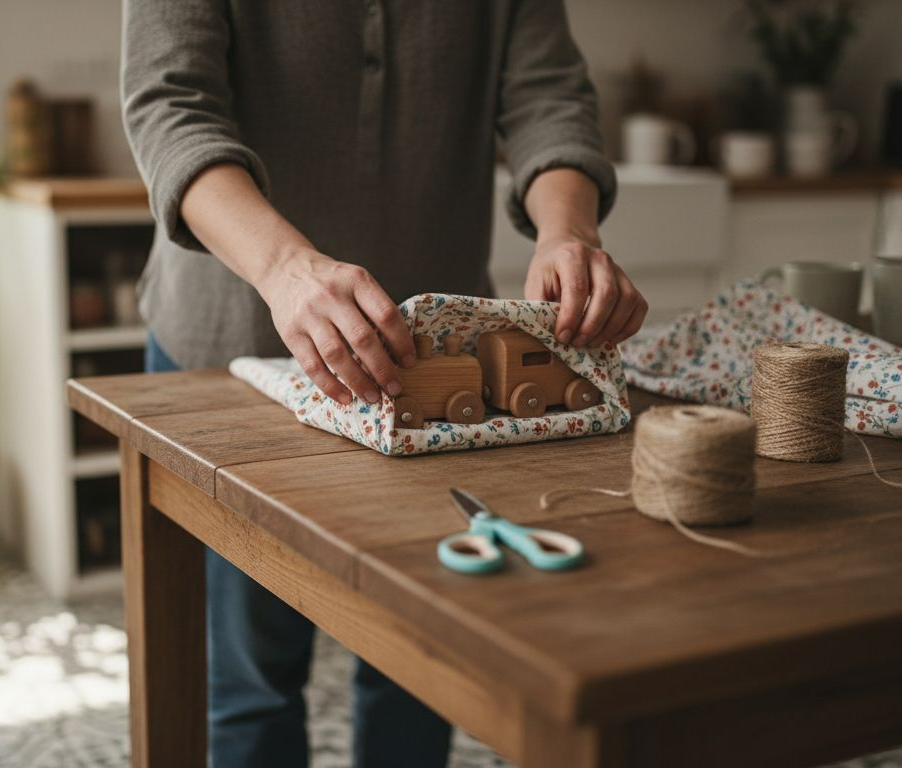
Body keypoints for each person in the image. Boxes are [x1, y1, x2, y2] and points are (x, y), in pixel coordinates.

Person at [122, 2, 647, 766]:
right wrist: (281, 267)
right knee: (252, 681)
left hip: (434, 369)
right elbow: (169, 104)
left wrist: (570, 231)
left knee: (419, 669)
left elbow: (549, 98)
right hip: (231, 349)